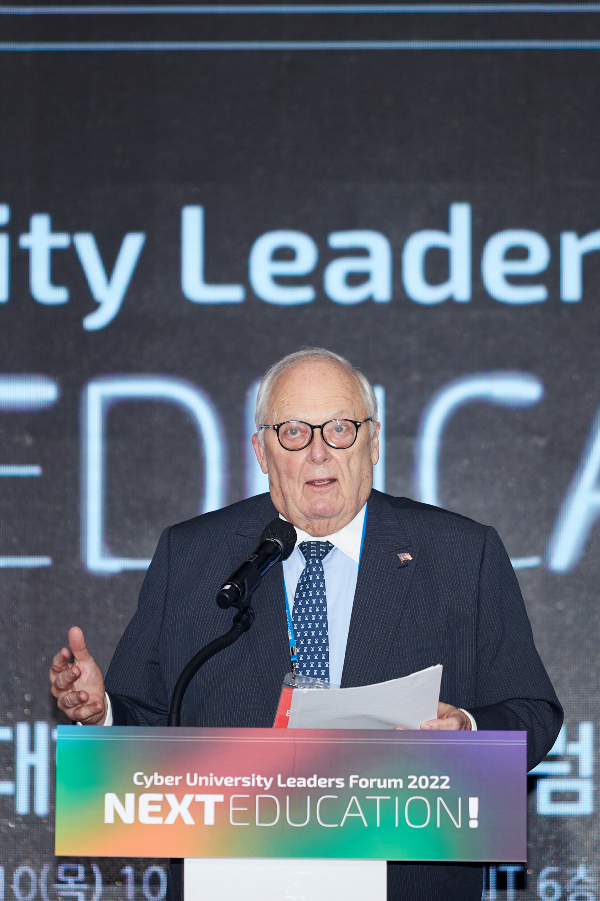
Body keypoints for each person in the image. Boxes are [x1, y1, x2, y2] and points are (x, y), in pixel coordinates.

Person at [50, 347, 562, 901]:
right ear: (262, 451)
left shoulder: (460, 553)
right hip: (231, 880)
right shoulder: (193, 556)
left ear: (373, 441)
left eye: (340, 428)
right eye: (293, 432)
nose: (319, 451)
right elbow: (150, 716)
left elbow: (532, 711)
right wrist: (102, 713)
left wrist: (467, 732)